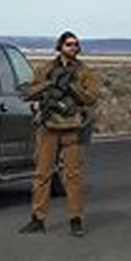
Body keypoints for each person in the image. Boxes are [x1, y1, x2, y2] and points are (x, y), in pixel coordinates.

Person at [18, 31, 102, 237]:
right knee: (42, 174)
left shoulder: (84, 72)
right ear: (60, 46)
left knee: (73, 176)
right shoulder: (47, 69)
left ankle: (76, 219)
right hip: (48, 128)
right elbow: (30, 92)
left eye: (76, 45)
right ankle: (38, 219)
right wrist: (51, 85)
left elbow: (92, 97)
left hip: (73, 128)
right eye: (68, 44)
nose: (73, 48)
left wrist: (72, 89)